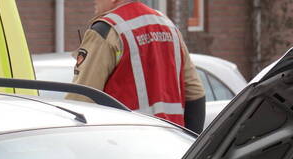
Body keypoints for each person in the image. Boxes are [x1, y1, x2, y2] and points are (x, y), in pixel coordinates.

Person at [66, 0, 207, 134]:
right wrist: (190, 147)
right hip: (171, 144)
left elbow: (81, 99)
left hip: (123, 145)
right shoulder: (167, 25)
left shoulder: (106, 30)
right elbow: (195, 92)